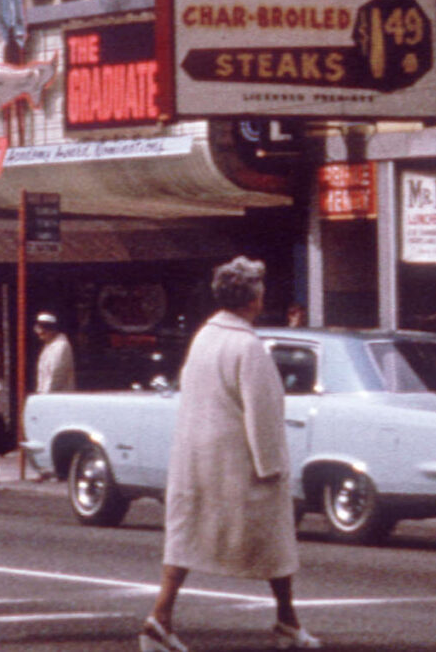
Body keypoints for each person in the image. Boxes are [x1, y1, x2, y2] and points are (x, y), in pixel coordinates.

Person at [141, 257, 317, 652]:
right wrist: (273, 466)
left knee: (186, 539)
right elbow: (264, 411)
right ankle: (287, 622)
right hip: (240, 462)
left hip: (196, 458)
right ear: (253, 297)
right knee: (276, 541)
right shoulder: (246, 345)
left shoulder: (204, 336)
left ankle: (161, 616)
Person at [33, 312, 76, 395]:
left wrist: (45, 398)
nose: (39, 333)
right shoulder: (48, 345)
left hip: (57, 397)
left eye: (43, 330)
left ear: (52, 330)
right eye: (38, 329)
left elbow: (56, 377)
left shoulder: (61, 346)